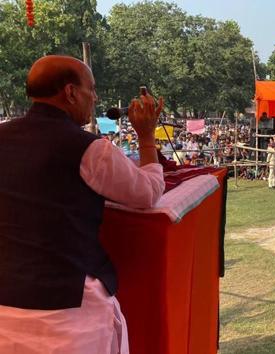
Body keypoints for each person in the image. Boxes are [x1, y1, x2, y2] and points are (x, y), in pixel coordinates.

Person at [0, 55, 165, 353]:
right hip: (68, 317)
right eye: (92, 88)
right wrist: (146, 138)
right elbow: (148, 193)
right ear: (70, 92)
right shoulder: (88, 149)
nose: (95, 97)